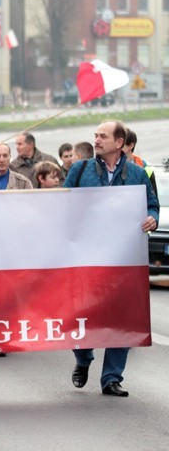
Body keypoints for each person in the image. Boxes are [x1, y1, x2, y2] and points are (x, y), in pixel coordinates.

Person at [65, 120, 158, 398]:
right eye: (95, 135)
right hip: (85, 257)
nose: (96, 140)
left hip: (122, 258)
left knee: (121, 318)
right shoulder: (80, 170)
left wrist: (153, 217)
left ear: (119, 143)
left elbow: (151, 204)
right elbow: (62, 202)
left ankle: (112, 378)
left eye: (102, 136)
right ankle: (83, 359)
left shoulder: (138, 174)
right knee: (81, 315)